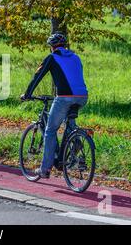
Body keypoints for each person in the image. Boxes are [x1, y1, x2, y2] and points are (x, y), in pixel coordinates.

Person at [20, 33, 88, 179]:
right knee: (69, 123)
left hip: (64, 97)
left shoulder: (52, 57)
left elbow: (37, 77)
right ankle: (75, 141)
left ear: (52, 47)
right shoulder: (76, 57)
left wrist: (27, 94)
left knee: (50, 131)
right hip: (82, 97)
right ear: (65, 46)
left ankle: (45, 169)